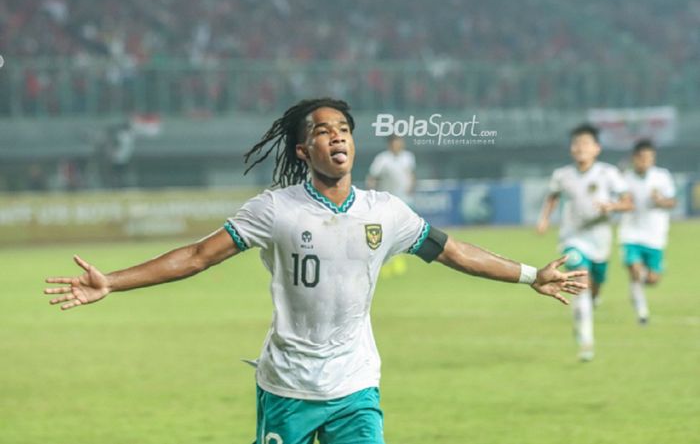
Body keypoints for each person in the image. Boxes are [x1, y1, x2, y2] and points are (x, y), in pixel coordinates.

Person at [45, 98, 586, 444]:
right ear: (305, 149)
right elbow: (196, 256)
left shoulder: (386, 211)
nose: (338, 136)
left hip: (356, 385)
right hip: (288, 386)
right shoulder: (274, 210)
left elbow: (453, 251)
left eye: (345, 128)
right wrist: (111, 281)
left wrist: (529, 273)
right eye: (325, 131)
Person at [537, 123, 633, 362]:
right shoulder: (562, 175)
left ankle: (591, 305)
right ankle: (586, 340)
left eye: (585, 144)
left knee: (595, 286)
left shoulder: (608, 173)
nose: (580, 148)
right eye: (576, 144)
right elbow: (552, 197)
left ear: (596, 148)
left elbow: (628, 202)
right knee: (580, 281)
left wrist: (612, 206)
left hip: (600, 240)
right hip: (572, 238)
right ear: (571, 149)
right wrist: (544, 219)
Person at [619, 140, 676, 325]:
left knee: (652, 280)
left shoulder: (662, 177)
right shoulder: (624, 178)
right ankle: (642, 313)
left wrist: (660, 201)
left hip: (655, 235)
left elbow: (672, 202)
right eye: (642, 158)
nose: (645, 162)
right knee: (635, 270)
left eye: (649, 158)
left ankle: (637, 287)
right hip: (631, 233)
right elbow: (616, 201)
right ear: (634, 158)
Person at [366, 134, 416, 276]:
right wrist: (372, 196)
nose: (398, 144)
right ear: (390, 144)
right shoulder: (382, 159)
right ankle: (385, 262)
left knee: (403, 233)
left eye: (400, 141)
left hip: (404, 200)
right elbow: (372, 177)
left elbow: (410, 174)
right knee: (386, 233)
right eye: (395, 142)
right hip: (386, 201)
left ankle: (397, 261)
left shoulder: (408, 157)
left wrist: (411, 185)